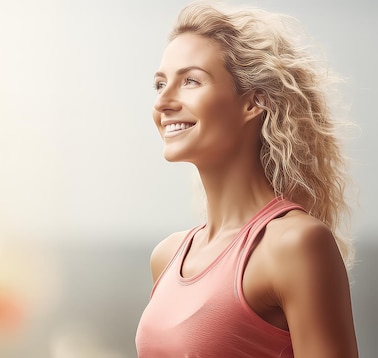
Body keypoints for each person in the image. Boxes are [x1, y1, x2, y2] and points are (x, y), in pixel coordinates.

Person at [134, 1, 358, 357]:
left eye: (190, 80)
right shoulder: (168, 256)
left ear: (253, 102)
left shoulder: (295, 245)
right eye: (160, 84)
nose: (163, 102)